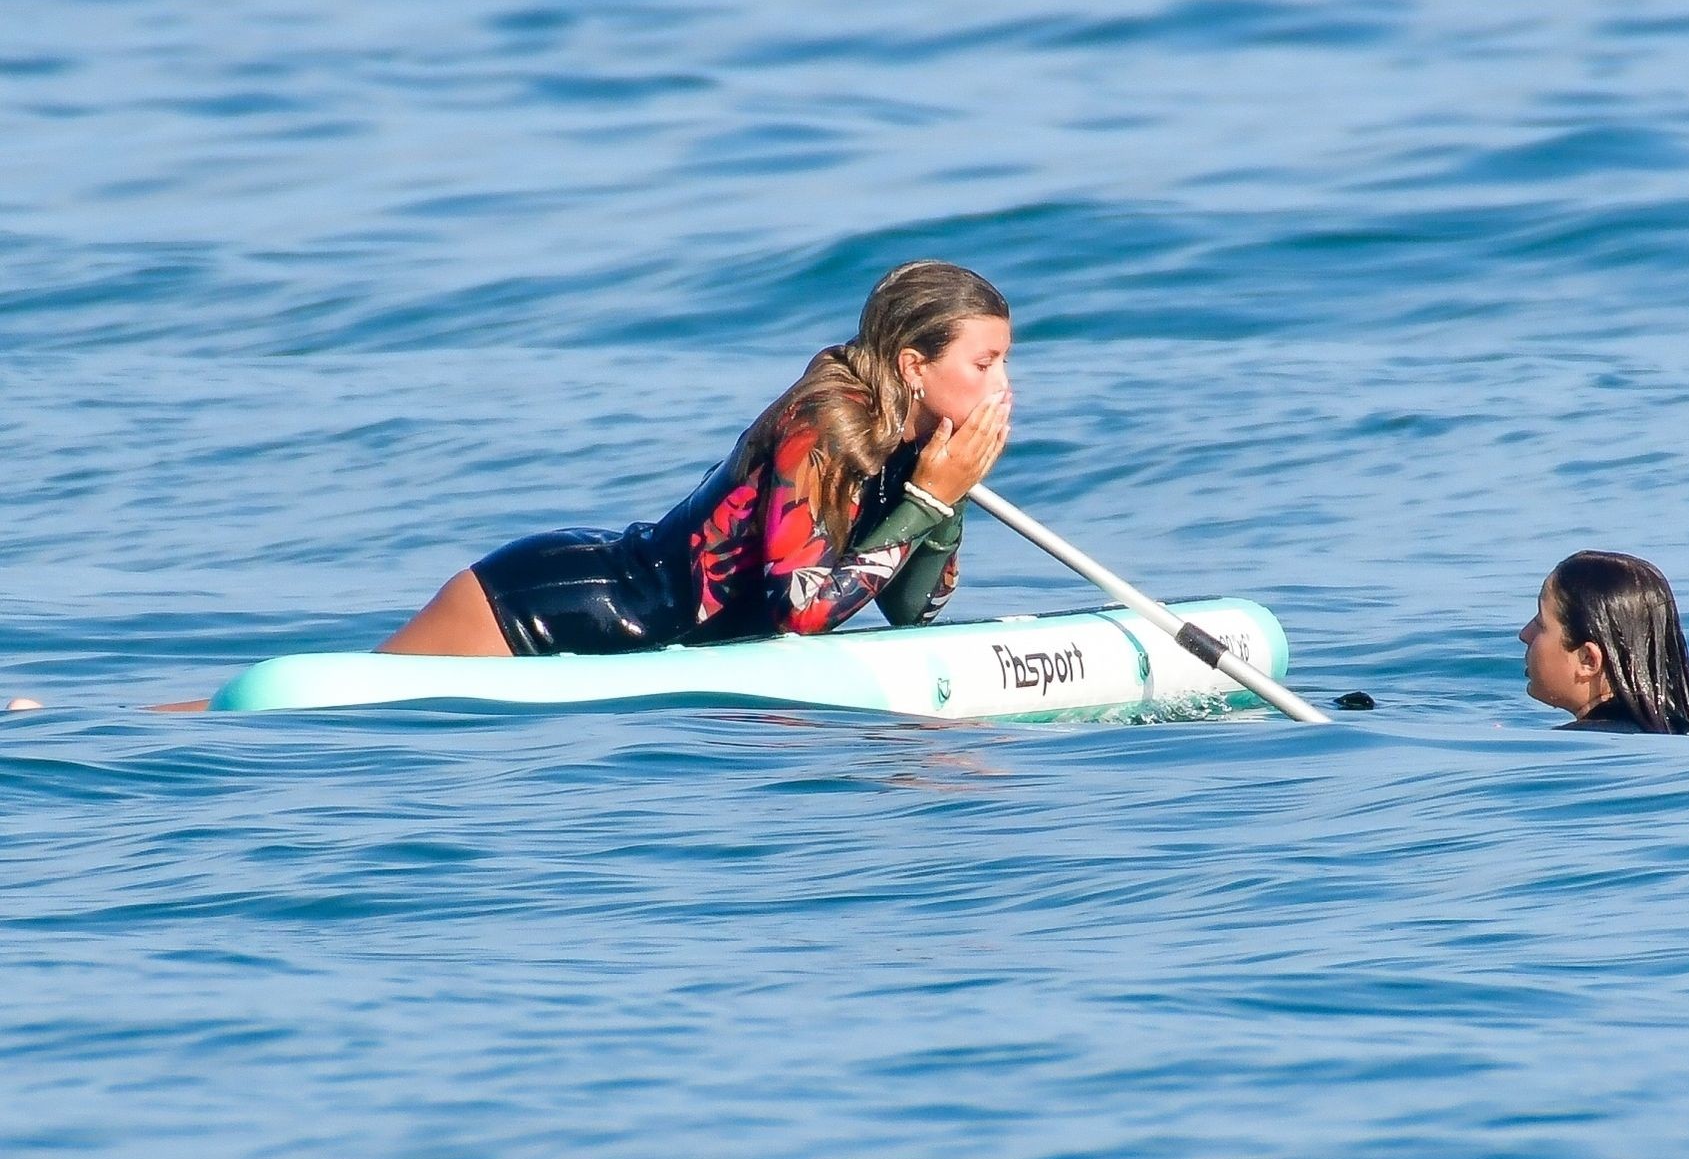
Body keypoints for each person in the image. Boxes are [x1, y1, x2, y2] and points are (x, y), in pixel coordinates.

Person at [7, 259, 1014, 712]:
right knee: (323, 706)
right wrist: (931, 499)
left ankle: (93, 717)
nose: (1002, 384)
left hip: (634, 622)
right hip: (556, 602)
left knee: (332, 706)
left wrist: (945, 495)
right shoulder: (826, 424)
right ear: (914, 363)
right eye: (985, 361)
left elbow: (908, 611)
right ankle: (92, 723)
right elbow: (799, 610)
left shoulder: (908, 443)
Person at [1517, 550, 1689, 735]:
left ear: (1588, 660)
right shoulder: (1684, 732)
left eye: (1540, 624)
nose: (1524, 634)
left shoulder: (1569, 746)